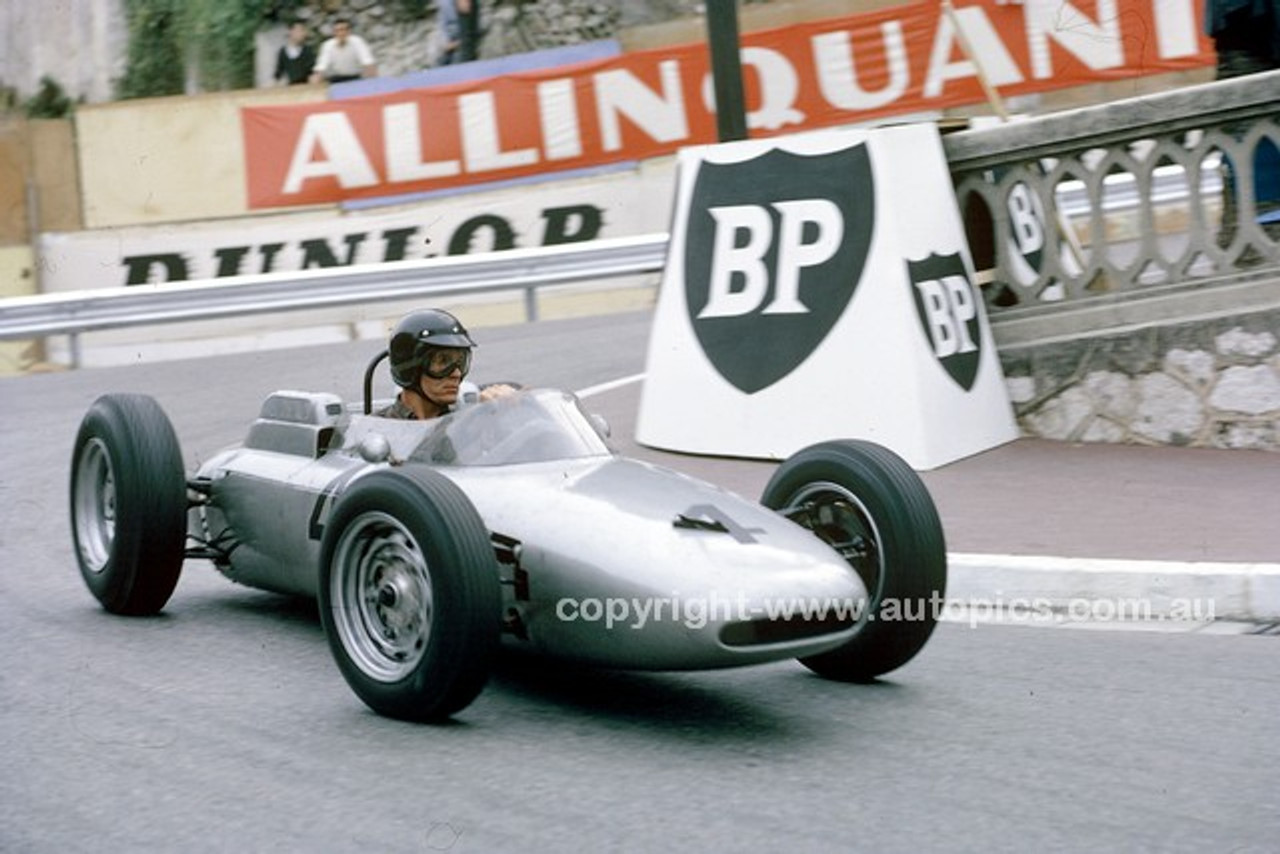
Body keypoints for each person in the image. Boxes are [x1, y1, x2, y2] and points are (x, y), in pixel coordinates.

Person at [379, 309, 515, 420]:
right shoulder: (377, 430)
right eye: (443, 361)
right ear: (410, 369)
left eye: (460, 362)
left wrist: (504, 409)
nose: (456, 374)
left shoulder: (468, 422)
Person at [309, 18, 377, 84]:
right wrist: (316, 77)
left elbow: (368, 62)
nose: (341, 33)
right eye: (337, 30)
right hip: (335, 79)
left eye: (343, 30)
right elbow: (322, 65)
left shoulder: (358, 42)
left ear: (349, 31)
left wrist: (372, 80)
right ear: (334, 33)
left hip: (355, 78)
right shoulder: (327, 45)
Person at [437, 0, 481, 66]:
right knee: (440, 65)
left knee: (458, 63)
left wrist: (459, 43)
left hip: (464, 44)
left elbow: (470, 36)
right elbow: (443, 23)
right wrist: (447, 44)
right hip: (451, 44)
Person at [273, 20, 316, 85]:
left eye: (303, 31)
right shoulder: (283, 52)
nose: (302, 34)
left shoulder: (308, 50)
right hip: (292, 87)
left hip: (307, 86)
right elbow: (278, 73)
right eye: (299, 31)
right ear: (291, 32)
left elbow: (313, 71)